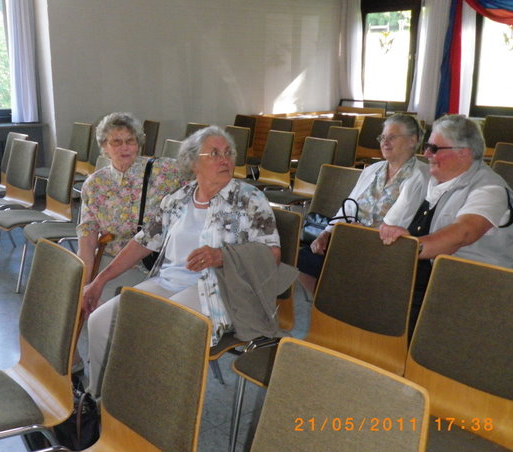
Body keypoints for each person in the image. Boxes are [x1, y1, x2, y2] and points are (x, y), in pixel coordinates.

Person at [82, 126, 283, 396]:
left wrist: (222, 256)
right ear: (194, 162)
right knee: (100, 321)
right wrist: (99, 281)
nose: (225, 160)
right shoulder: (179, 199)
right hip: (169, 283)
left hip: (223, 289)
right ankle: (99, 400)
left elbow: (272, 255)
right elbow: (142, 242)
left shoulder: (249, 199)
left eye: (228, 153)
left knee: (158, 325)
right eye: (214, 154)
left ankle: (142, 404)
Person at [379, 114, 513, 334]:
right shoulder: (422, 177)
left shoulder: (490, 190)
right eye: (427, 147)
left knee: (392, 319)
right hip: (420, 279)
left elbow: (463, 233)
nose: (426, 154)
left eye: (434, 148)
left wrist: (410, 246)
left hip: (471, 288)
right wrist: (389, 233)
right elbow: (390, 224)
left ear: (463, 153)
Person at [298, 113, 430, 294]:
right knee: (305, 256)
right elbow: (348, 208)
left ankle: (339, 303)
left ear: (412, 141)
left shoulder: (421, 176)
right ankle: (326, 304)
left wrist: (362, 234)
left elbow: (400, 223)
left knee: (335, 265)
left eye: (392, 137)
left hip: (384, 247)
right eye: (382, 137)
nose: (385, 142)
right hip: (352, 238)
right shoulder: (372, 170)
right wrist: (326, 233)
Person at [77, 112, 184, 294]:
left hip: (157, 265)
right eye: (116, 142)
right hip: (112, 263)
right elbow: (87, 241)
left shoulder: (165, 171)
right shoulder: (95, 185)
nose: (124, 148)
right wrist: (83, 287)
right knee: (94, 305)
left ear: (138, 144)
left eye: (130, 141)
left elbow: (206, 179)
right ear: (104, 147)